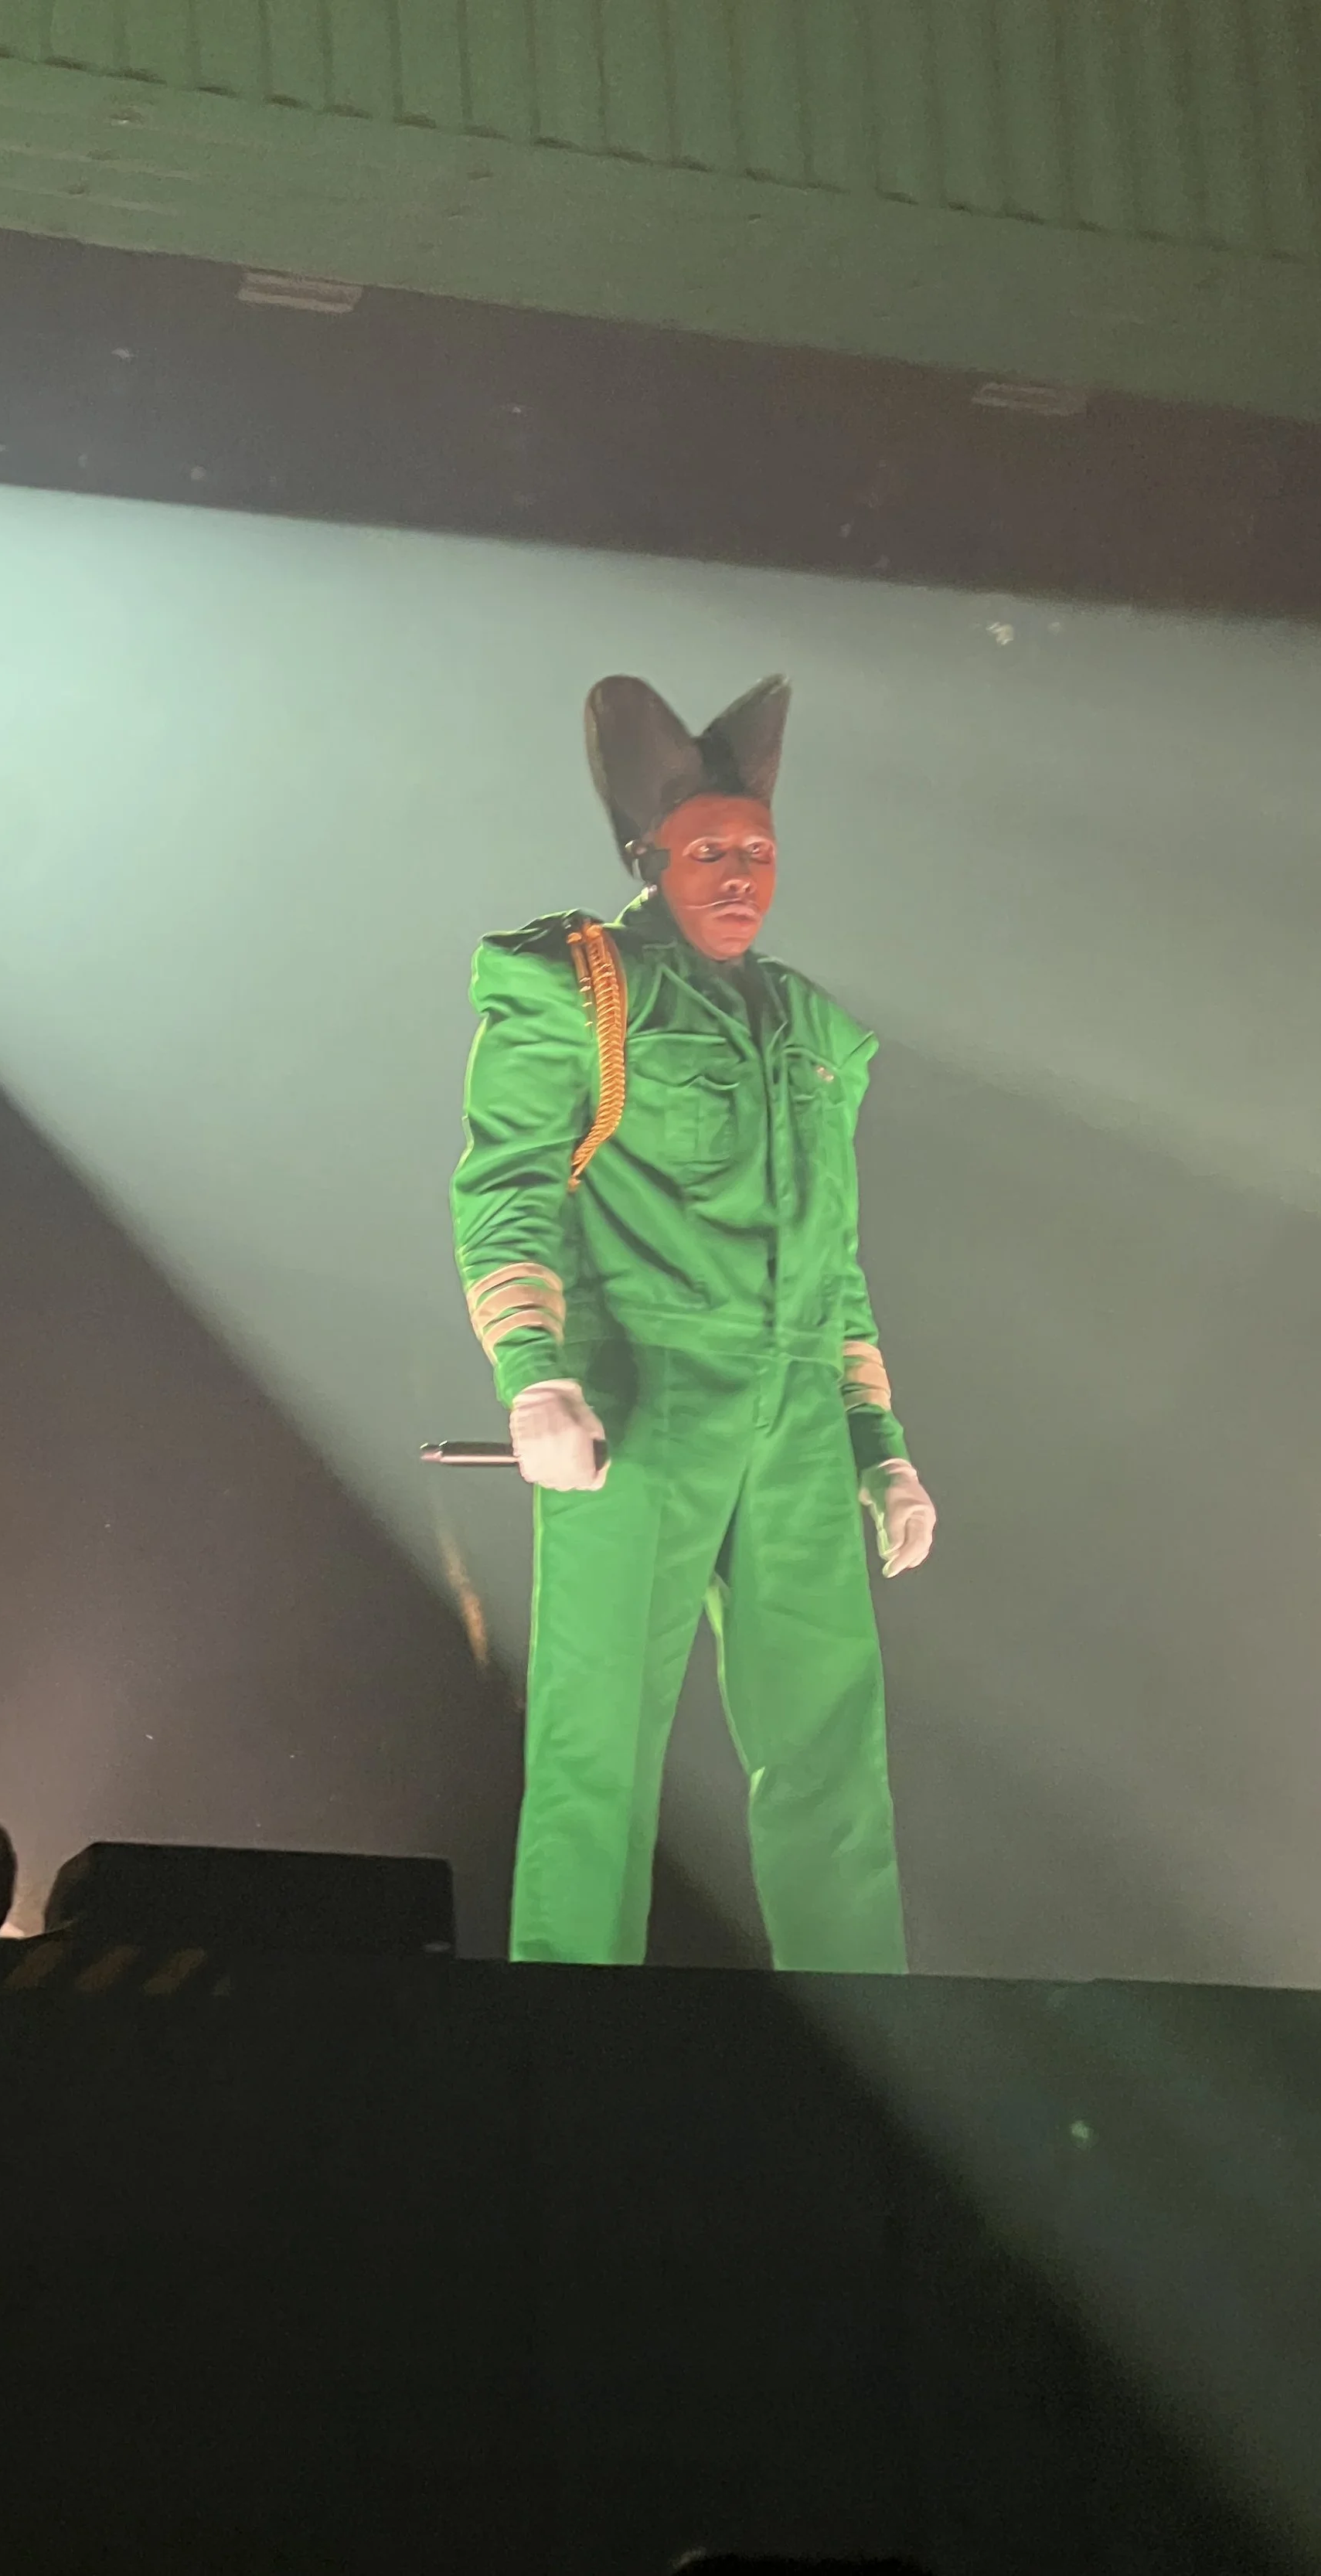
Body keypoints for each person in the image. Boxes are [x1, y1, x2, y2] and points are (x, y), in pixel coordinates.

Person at [451, 674, 935, 1969]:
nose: (739, 875)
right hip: (640, 1393)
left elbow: (833, 1257)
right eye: (709, 850)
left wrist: (878, 1444)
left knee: (830, 1747)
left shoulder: (814, 1031)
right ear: (647, 856)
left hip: (794, 1415)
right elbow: (508, 1188)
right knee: (597, 1742)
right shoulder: (581, 986)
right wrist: (532, 1371)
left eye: (757, 851)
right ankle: (565, 2037)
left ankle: (863, 2035)